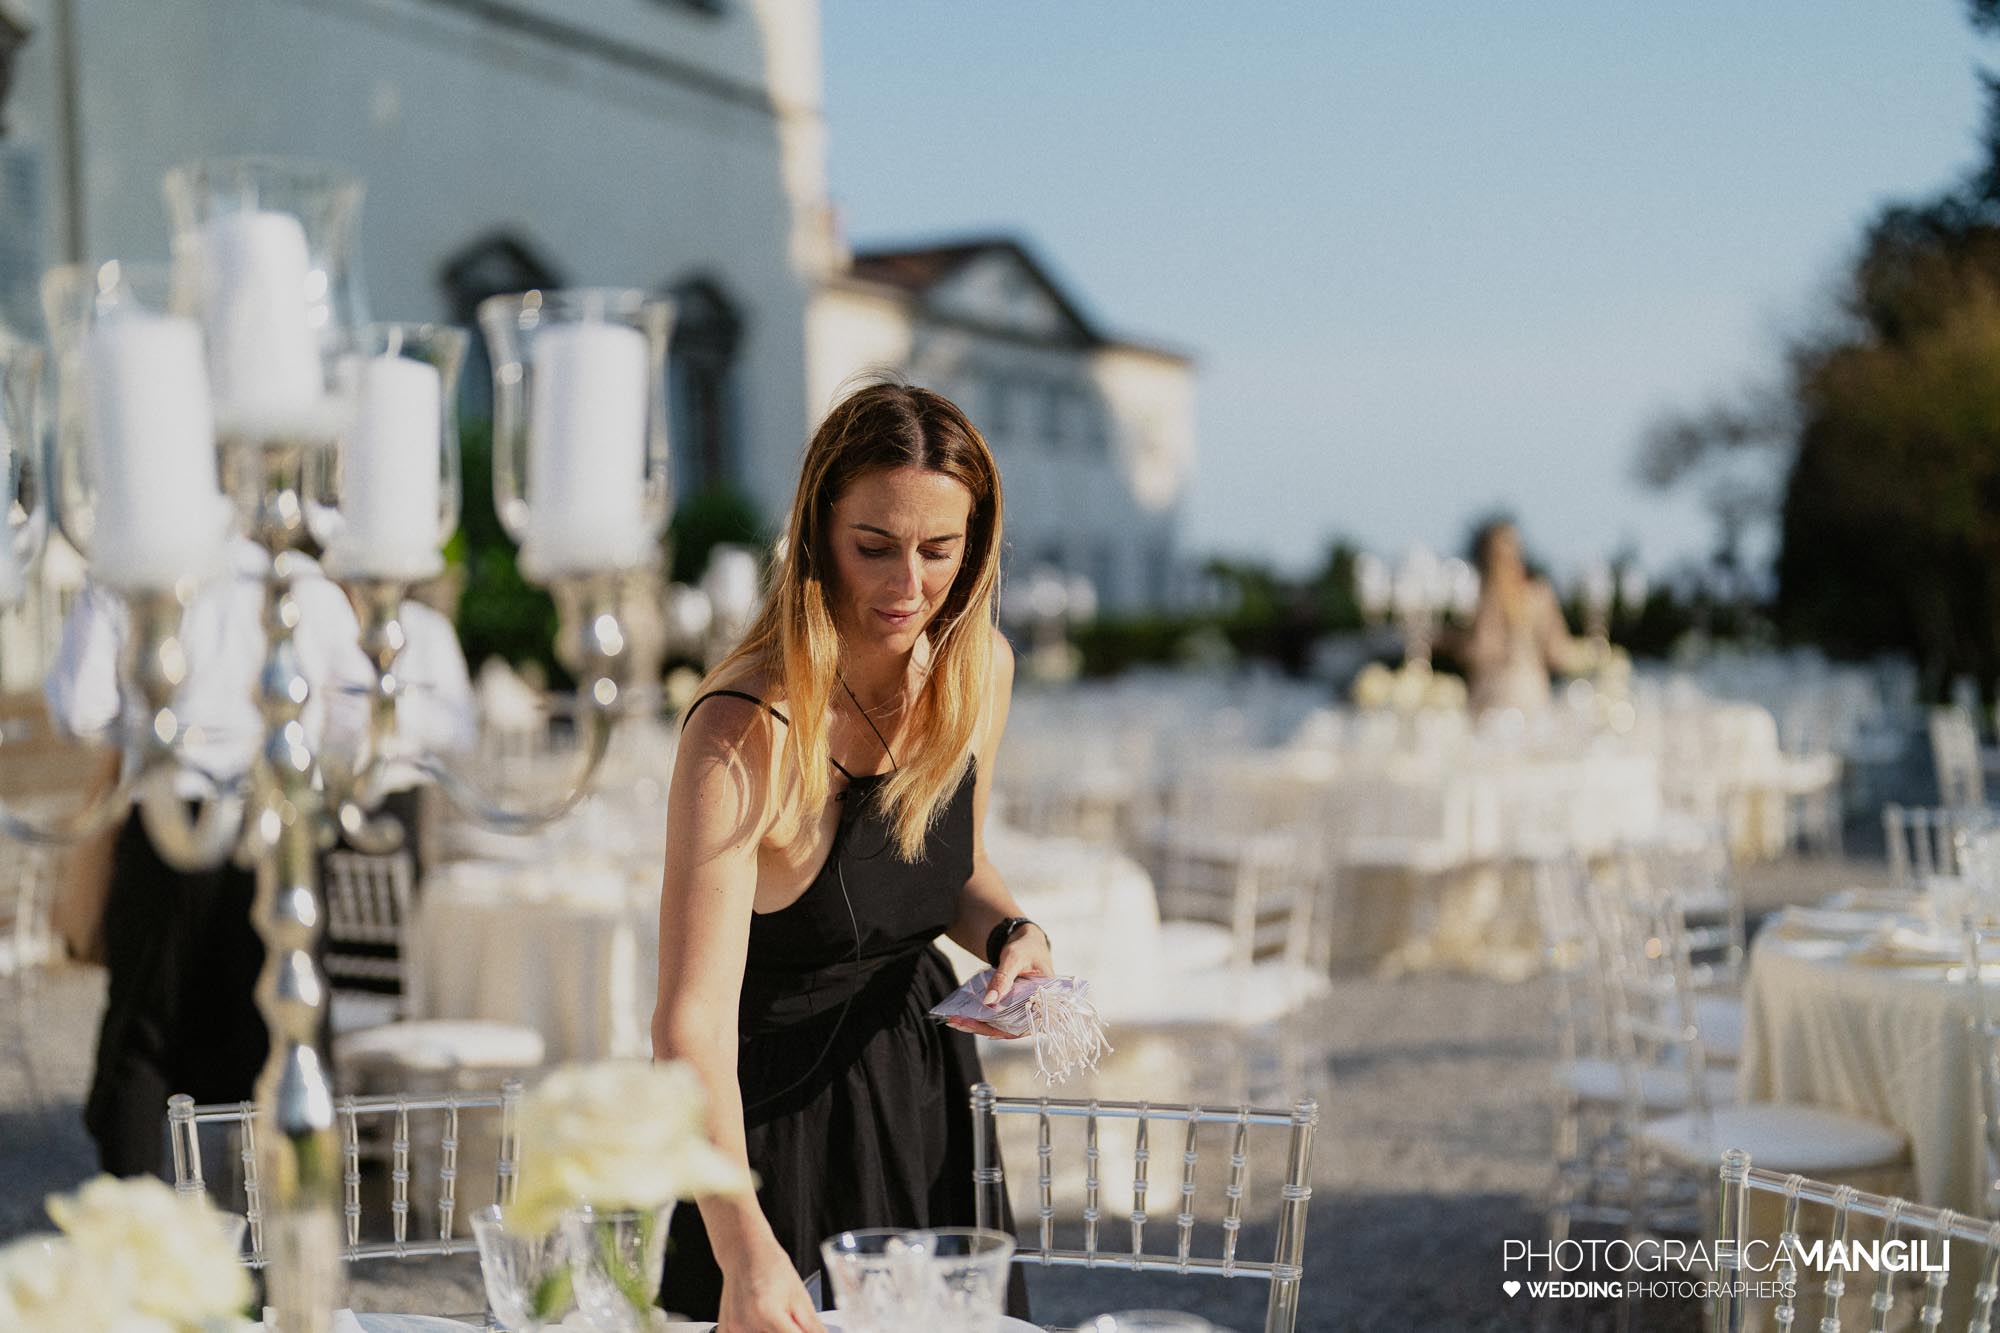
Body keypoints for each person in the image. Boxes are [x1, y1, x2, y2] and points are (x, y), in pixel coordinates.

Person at [652, 382, 1049, 1329]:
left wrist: (1013, 933)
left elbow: (956, 869)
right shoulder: (741, 733)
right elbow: (685, 1028)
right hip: (770, 1138)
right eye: (874, 547)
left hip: (929, 1096)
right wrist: (744, 1247)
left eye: (939, 550)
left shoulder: (976, 669)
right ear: (819, 530)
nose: (907, 585)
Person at [44, 537, 472, 1176]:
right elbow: (367, 722)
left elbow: (80, 712)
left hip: (166, 814)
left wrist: (153, 721)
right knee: (287, 1031)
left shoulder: (123, 573)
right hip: (279, 824)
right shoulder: (300, 585)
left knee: (143, 1037)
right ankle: (289, 1241)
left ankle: (131, 1241)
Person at [1454, 520, 1581, 714]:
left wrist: (1446, 643)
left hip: (1495, 698)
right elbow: (1558, 652)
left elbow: (1482, 649)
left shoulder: (1480, 597)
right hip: (1529, 693)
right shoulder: (1538, 594)